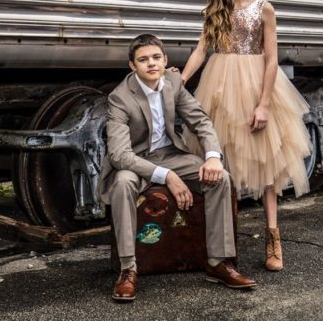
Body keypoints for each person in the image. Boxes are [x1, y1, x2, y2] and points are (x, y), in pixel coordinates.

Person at [180, 0, 312, 272]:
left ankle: (273, 236)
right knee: (223, 162)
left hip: (255, 85)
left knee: (265, 166)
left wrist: (264, 103)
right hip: (221, 85)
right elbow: (201, 49)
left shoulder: (264, 9)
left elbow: (271, 59)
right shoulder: (218, 8)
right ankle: (225, 244)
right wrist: (180, 80)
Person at [101, 33, 256, 302]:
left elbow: (201, 121)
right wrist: (167, 176)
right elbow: (119, 155)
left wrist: (212, 156)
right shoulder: (120, 98)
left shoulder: (173, 81)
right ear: (132, 66)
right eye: (143, 60)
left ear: (165, 60)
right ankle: (128, 269)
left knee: (221, 178)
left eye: (156, 58)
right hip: (135, 161)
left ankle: (218, 263)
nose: (151, 64)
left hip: (171, 154)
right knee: (123, 183)